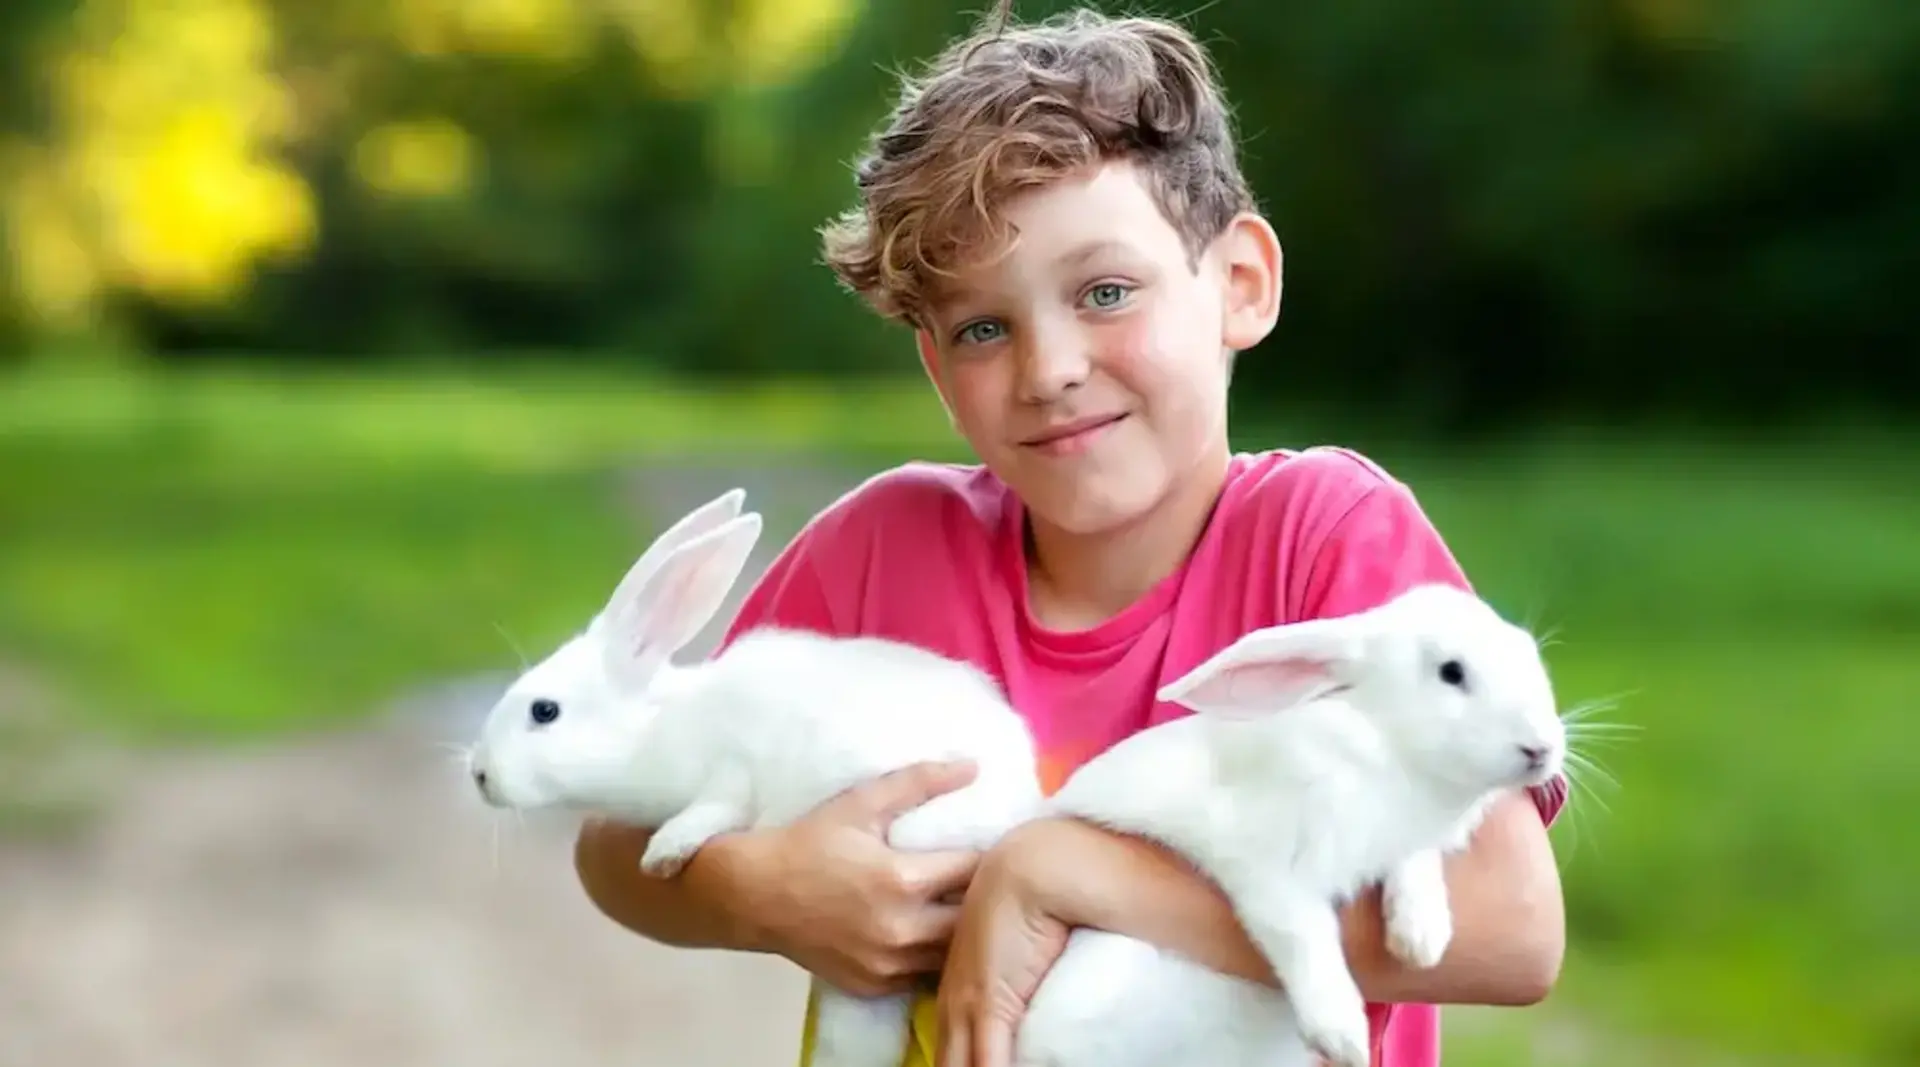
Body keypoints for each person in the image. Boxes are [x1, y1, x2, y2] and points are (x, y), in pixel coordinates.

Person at [570, 6, 1568, 1067]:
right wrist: (760, 890)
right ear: (936, 368)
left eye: (1104, 292)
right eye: (983, 328)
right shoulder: (879, 552)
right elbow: (614, 844)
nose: (1048, 369)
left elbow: (1513, 928)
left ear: (1240, 284)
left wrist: (1051, 875)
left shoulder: (1329, 544)